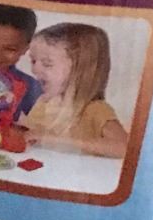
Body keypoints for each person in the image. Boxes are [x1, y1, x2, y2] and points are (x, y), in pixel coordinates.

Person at [22, 22, 129, 159]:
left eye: (47, 64)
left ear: (79, 70)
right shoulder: (43, 103)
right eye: (33, 61)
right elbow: (29, 134)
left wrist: (57, 140)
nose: (35, 69)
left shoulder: (95, 109)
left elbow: (124, 147)